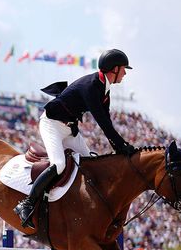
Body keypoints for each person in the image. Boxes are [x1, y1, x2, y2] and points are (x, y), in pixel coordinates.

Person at [15, 48, 138, 229]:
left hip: (69, 129)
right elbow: (102, 123)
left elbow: (108, 122)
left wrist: (121, 147)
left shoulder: (104, 89)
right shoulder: (91, 87)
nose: (125, 73)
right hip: (52, 125)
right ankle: (27, 204)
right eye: (123, 69)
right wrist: (122, 146)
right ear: (114, 69)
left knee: (90, 165)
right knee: (59, 165)